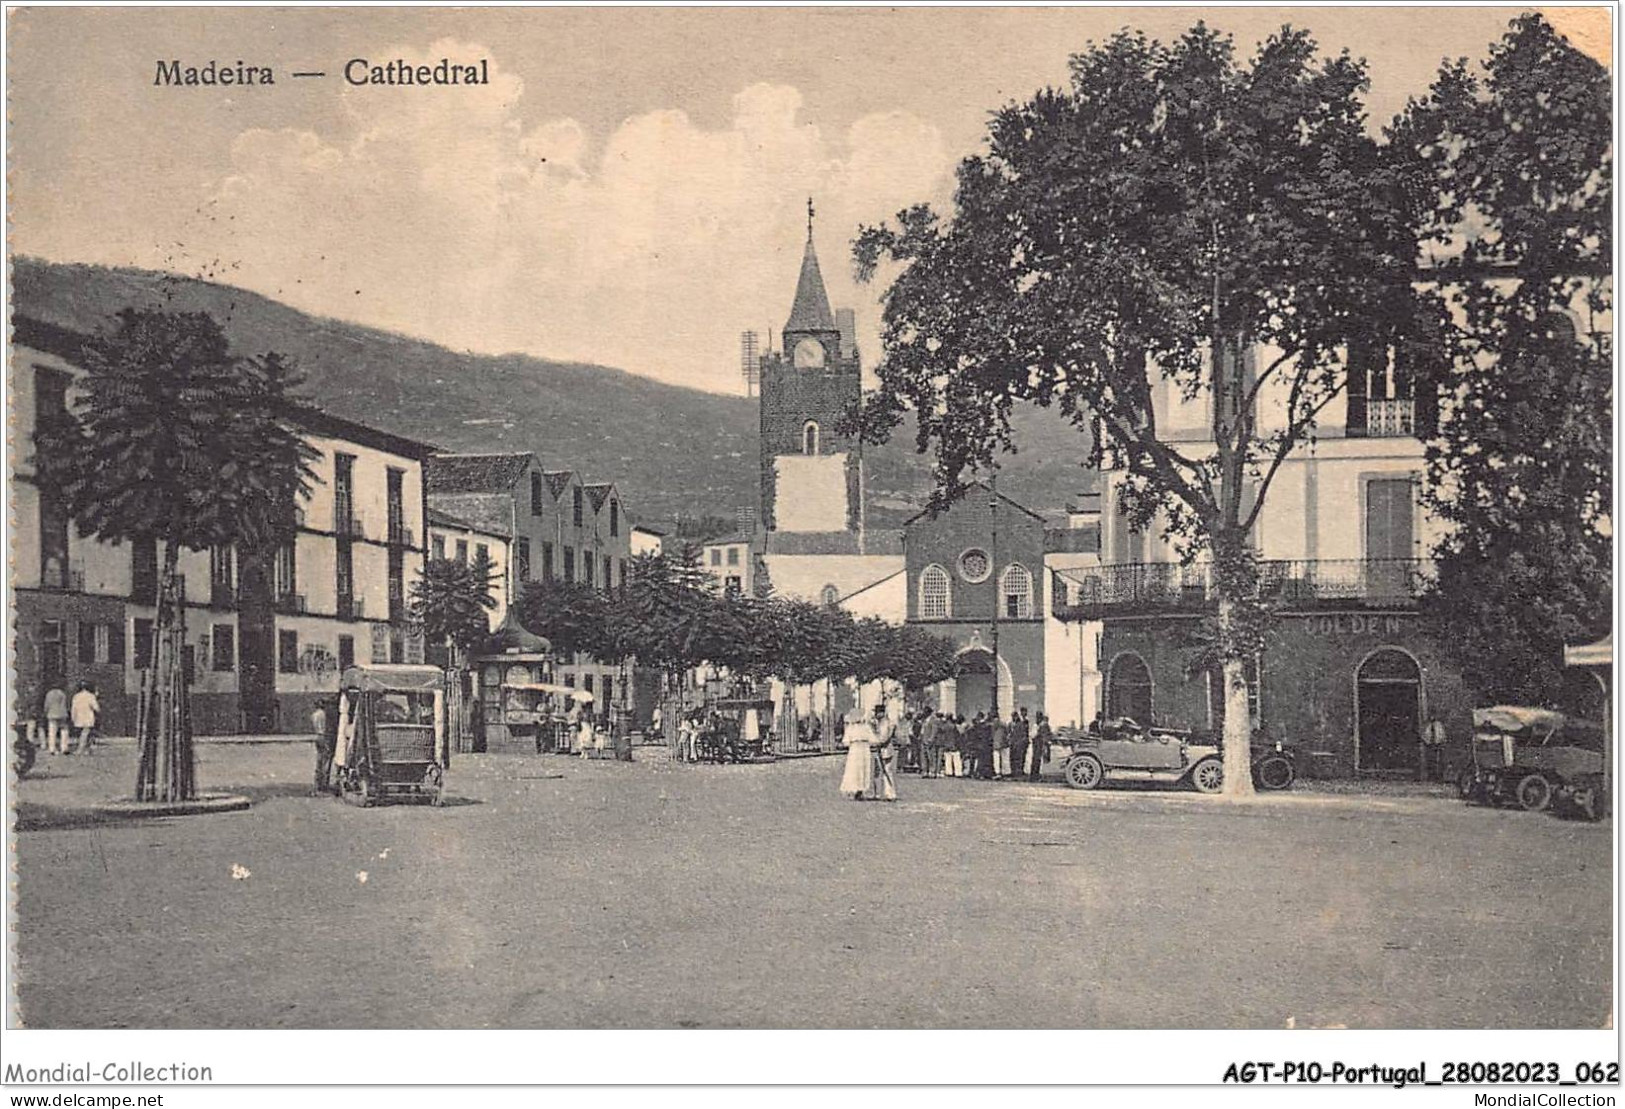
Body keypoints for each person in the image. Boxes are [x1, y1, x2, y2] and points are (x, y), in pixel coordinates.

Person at [838, 709, 875, 800]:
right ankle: (855, 789)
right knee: (856, 769)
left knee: (859, 769)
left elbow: (846, 742)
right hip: (861, 749)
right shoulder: (863, 727)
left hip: (857, 749)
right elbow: (873, 740)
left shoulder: (857, 728)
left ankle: (859, 790)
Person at [870, 704, 898, 802]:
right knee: (877, 772)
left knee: (887, 771)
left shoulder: (887, 723)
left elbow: (886, 737)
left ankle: (890, 793)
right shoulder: (877, 723)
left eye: (877, 713)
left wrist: (877, 742)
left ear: (882, 713)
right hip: (878, 750)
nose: (876, 714)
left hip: (886, 749)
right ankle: (877, 793)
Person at [311, 697, 336, 795]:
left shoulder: (314, 715)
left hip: (317, 736)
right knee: (326, 760)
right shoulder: (325, 715)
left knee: (319, 760)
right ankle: (324, 784)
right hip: (325, 736)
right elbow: (328, 727)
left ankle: (318, 784)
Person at [70, 682, 100, 755]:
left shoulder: (76, 696)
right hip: (88, 717)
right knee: (86, 733)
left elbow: (73, 708)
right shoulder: (91, 696)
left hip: (78, 717)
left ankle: (85, 749)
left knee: (82, 734)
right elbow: (96, 708)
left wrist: (73, 717)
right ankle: (82, 749)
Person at [42, 683, 68, 755]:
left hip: (51, 714)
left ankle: (52, 749)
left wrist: (45, 712)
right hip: (62, 714)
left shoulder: (49, 694)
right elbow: (64, 704)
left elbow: (46, 705)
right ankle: (64, 748)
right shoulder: (62, 693)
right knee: (64, 731)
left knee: (52, 732)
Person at [1030, 712, 1053, 782]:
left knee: (1036, 760)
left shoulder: (1041, 725)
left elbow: (1037, 735)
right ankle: (1035, 775)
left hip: (1039, 744)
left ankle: (1035, 775)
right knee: (1037, 760)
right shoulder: (1041, 725)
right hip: (1039, 744)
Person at [1009, 708, 1031, 782]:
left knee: (1019, 757)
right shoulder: (1012, 724)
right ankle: (1015, 771)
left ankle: (1018, 771)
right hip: (1015, 743)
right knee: (1015, 757)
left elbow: (1022, 734)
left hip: (1019, 743)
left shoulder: (1022, 723)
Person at [991, 711, 1012, 779]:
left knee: (996, 758)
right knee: (1005, 758)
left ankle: (998, 772)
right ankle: (1006, 772)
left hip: (996, 742)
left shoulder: (995, 723)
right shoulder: (1004, 724)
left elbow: (992, 733)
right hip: (1004, 742)